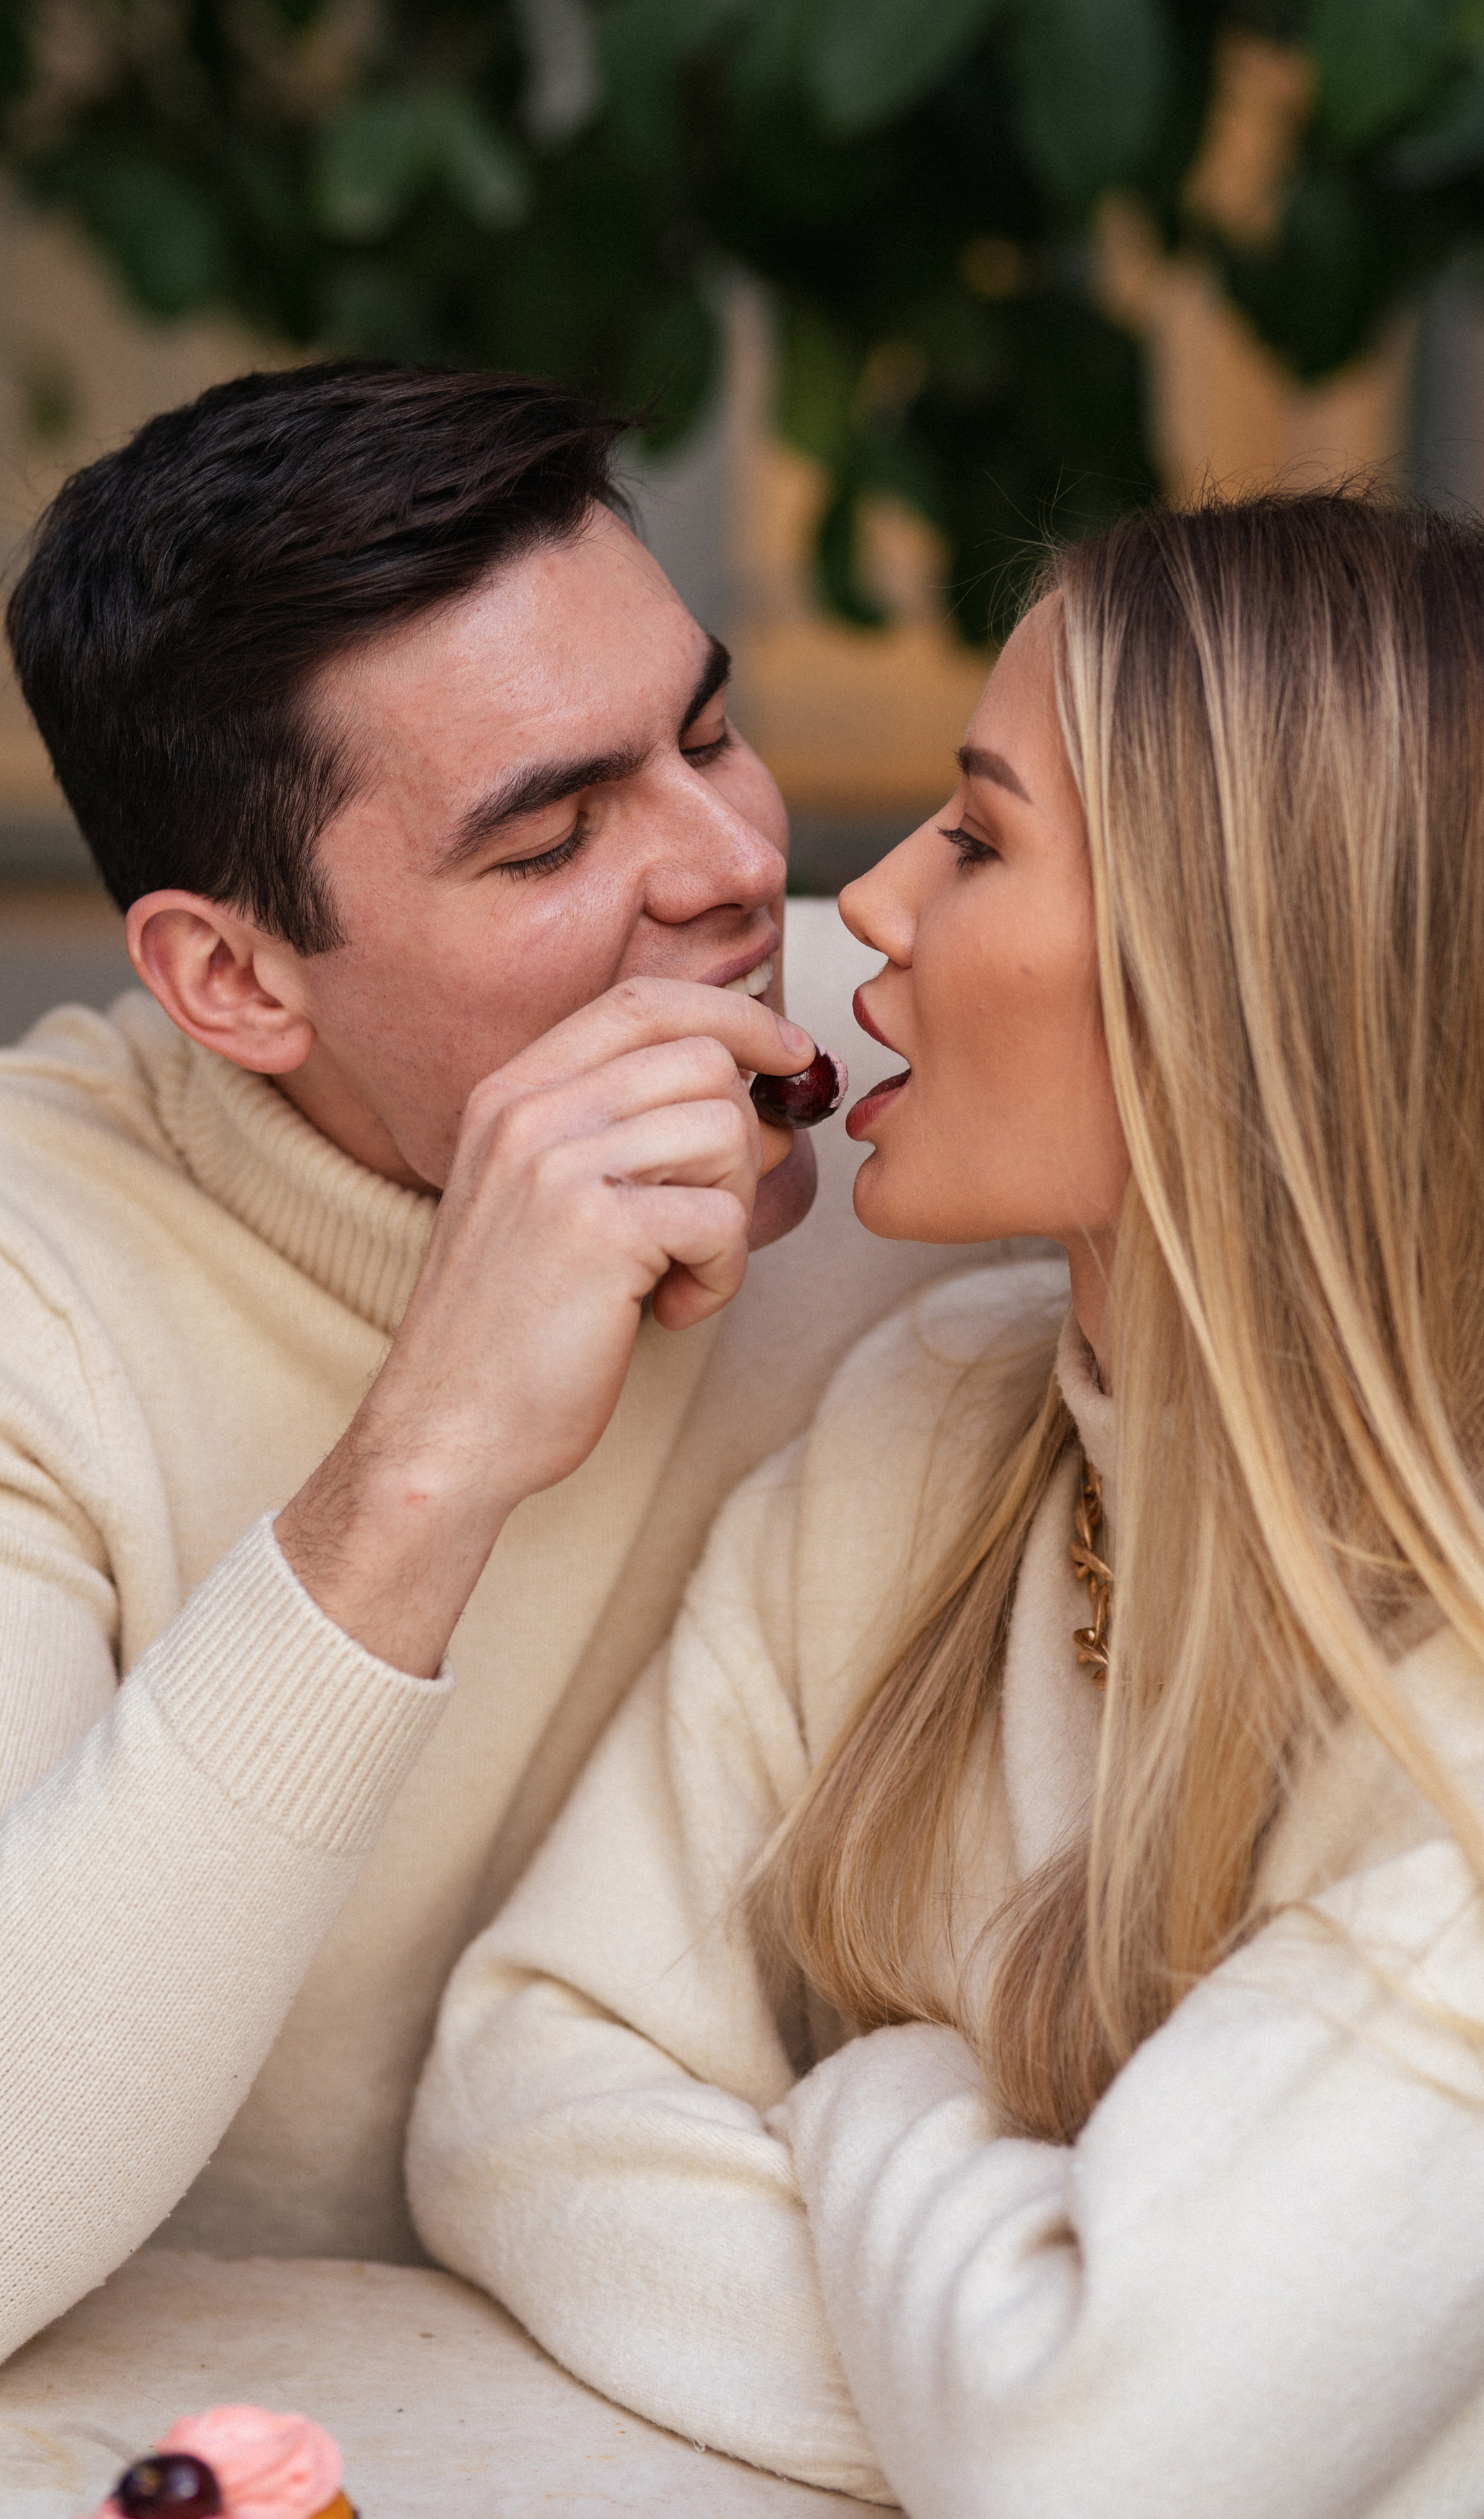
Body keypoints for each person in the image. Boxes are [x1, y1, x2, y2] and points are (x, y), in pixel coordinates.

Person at [410, 495, 1484, 2519]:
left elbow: (1102, 2511)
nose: (867, 908)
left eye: (982, 838)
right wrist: (1076, 2368)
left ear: (1257, 978)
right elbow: (518, 2104)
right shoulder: (937, 1423)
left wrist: (876, 2105)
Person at [0, 359, 1008, 2363]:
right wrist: (432, 1453)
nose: (732, 869)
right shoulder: (39, 1280)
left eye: (712, 734)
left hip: (831, 2417)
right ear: (234, 977)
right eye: (550, 842)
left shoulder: (946, 1069)